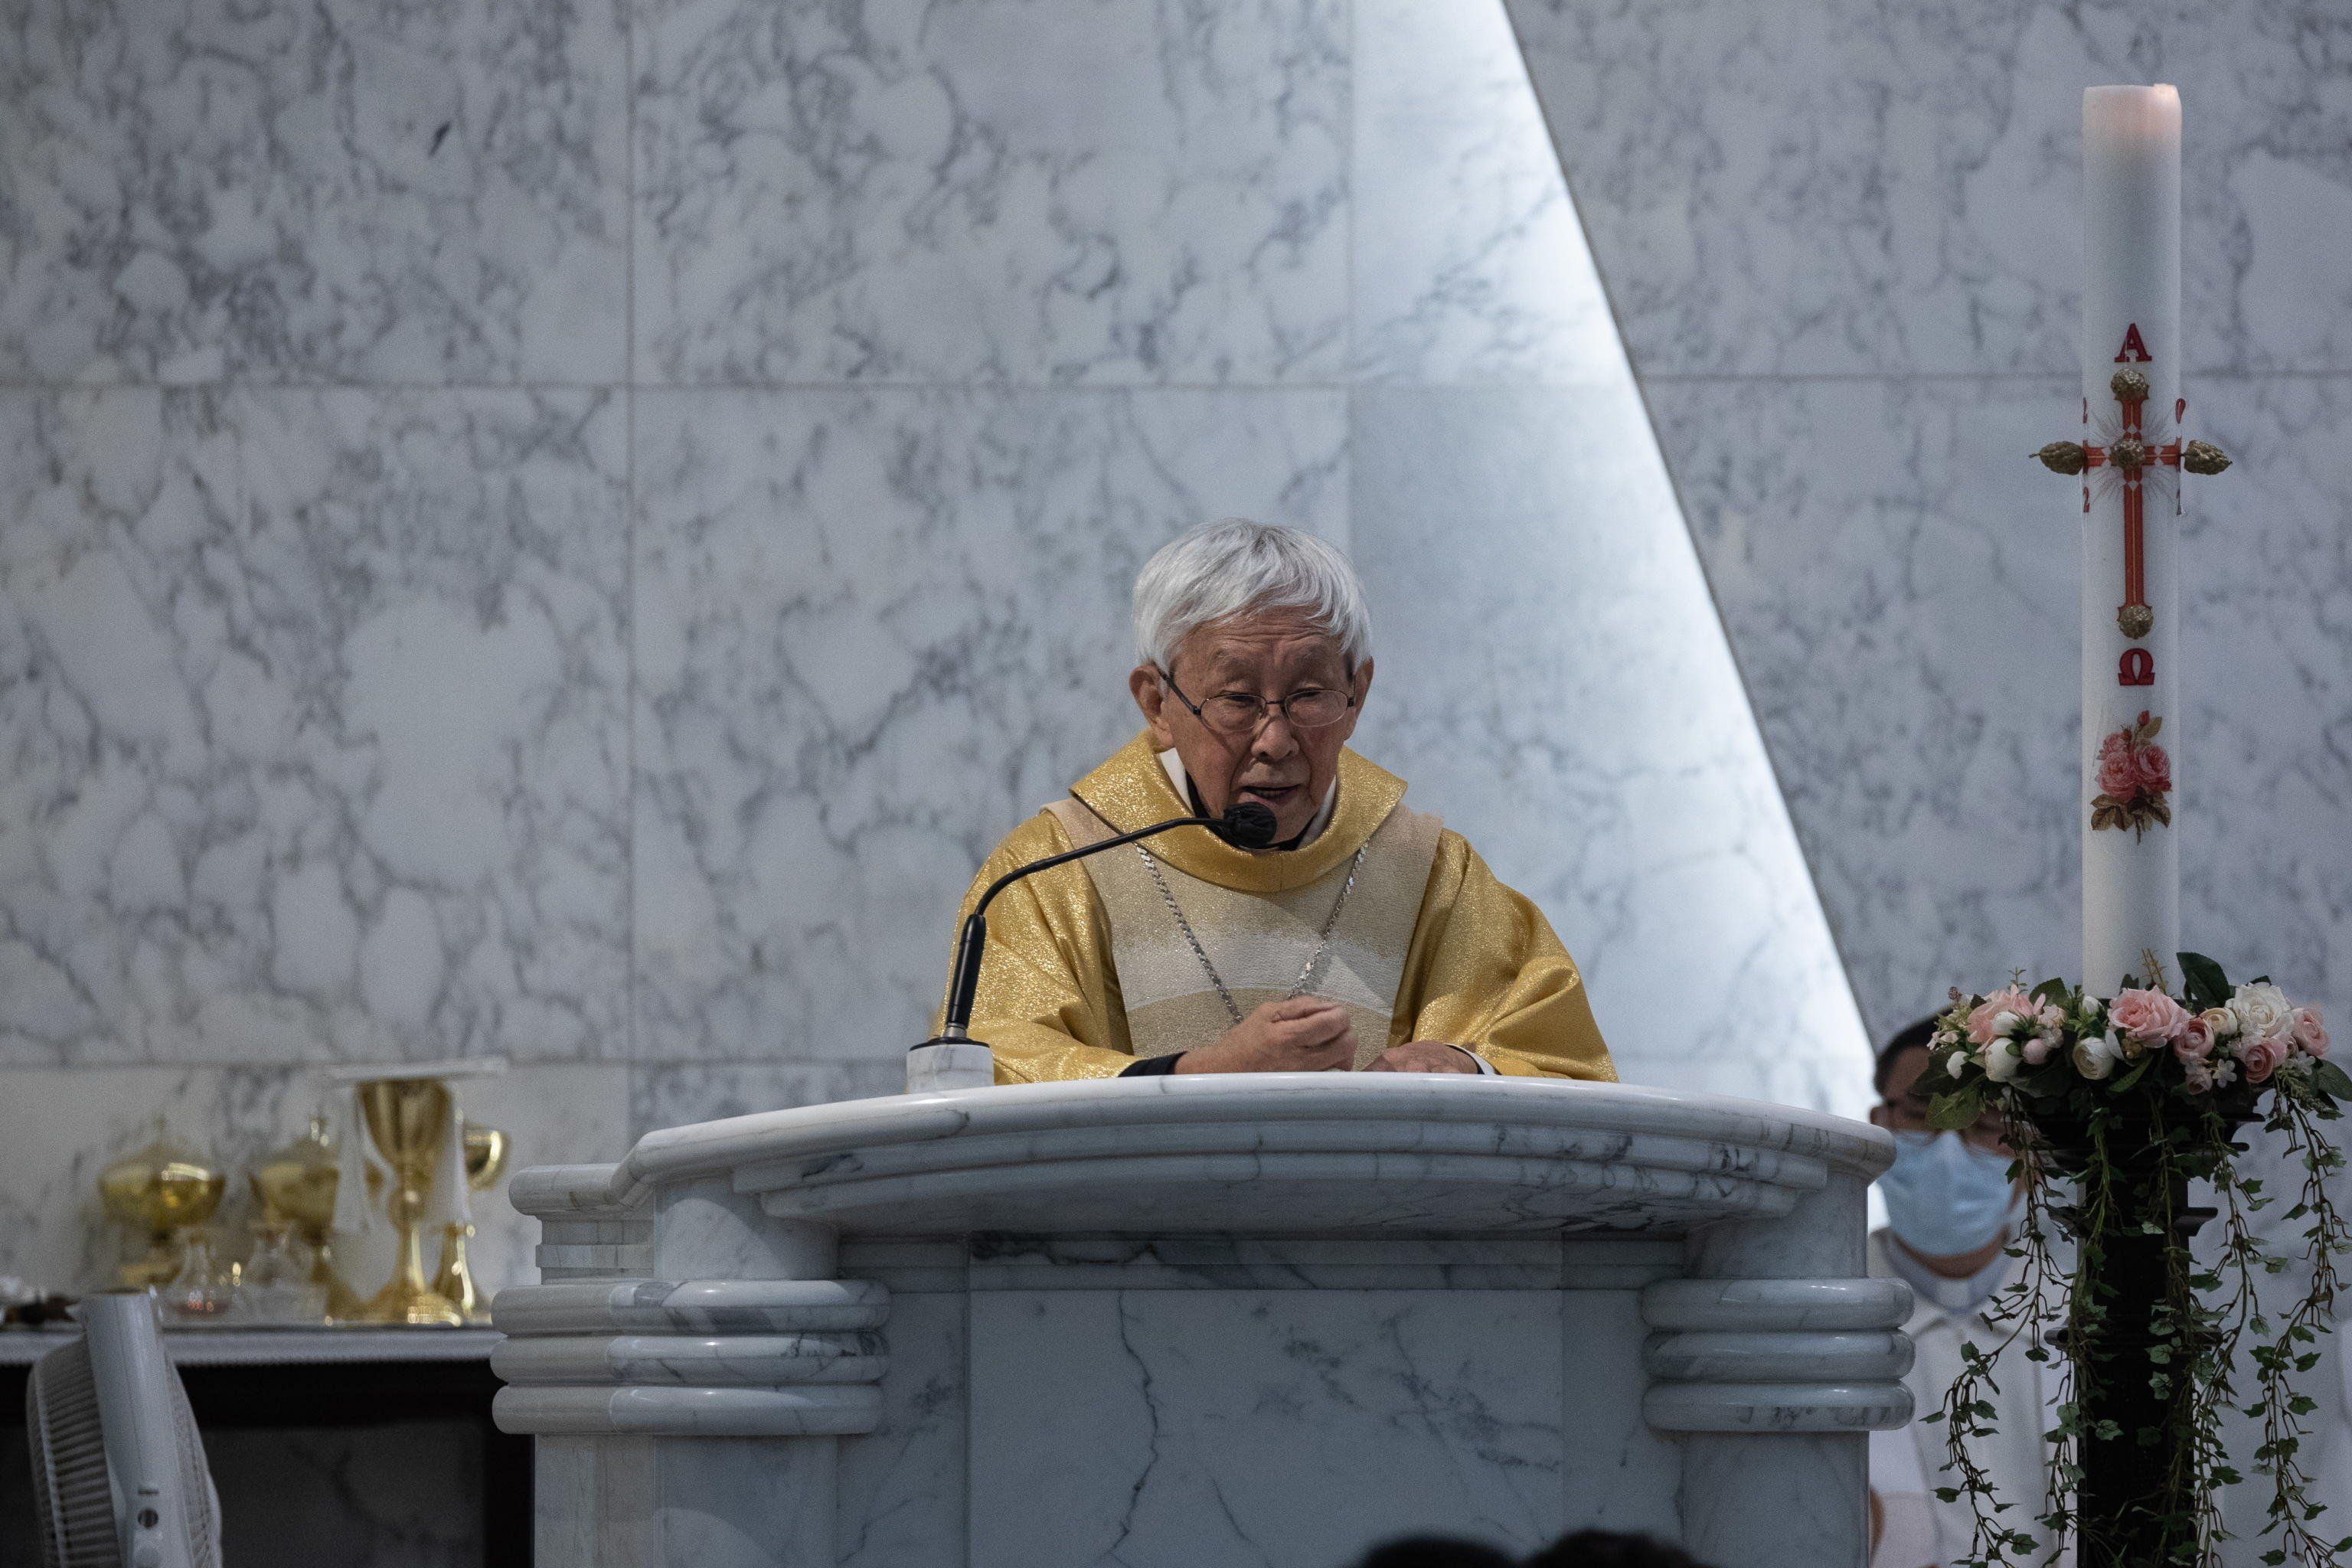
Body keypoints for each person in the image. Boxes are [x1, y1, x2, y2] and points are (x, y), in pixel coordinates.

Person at [946, 518, 1615, 1083]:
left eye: (1310, 696)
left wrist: (1467, 1069)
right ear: (1157, 703)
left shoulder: (1432, 874)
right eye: (1237, 700)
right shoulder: (1056, 869)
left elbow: (1560, 1062)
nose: (1275, 739)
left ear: (1358, 694)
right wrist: (1203, 1076)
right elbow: (993, 1066)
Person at [1865, 1018, 2064, 1568]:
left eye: (1987, 1123)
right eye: (1923, 1115)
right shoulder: (1816, 1321)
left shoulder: (2096, 1327)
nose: (1949, 1150)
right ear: (1875, 1127)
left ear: (2034, 1155)